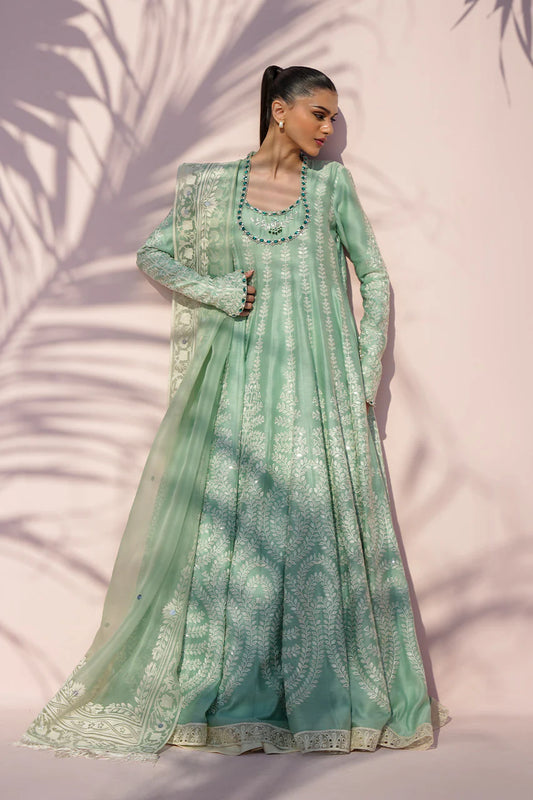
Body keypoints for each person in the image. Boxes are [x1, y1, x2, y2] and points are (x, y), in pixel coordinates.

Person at [14, 65, 450, 762]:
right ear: (279, 110)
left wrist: (361, 376)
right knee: (237, 535)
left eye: (334, 118)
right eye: (319, 113)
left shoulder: (331, 186)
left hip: (319, 387)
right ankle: (230, 683)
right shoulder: (215, 189)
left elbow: (372, 275)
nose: (328, 129)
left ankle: (327, 693)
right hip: (239, 388)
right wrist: (216, 291)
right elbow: (151, 252)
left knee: (315, 525)